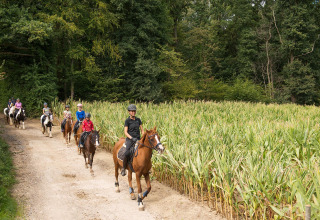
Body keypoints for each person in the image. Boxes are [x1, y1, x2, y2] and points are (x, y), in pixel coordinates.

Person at [121, 104, 144, 176]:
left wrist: (143, 136)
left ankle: (145, 168)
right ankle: (124, 168)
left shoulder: (138, 120)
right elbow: (125, 132)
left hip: (138, 139)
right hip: (130, 139)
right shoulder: (127, 121)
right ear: (129, 112)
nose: (133, 112)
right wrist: (131, 138)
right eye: (132, 111)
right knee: (127, 153)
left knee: (146, 151)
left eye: (134, 111)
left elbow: (142, 130)